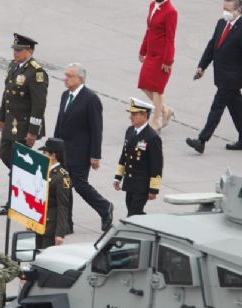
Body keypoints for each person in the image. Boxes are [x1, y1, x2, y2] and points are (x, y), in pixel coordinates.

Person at [186, 0, 242, 154]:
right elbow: (212, 46)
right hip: (221, 74)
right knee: (237, 107)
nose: (225, 12)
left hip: (233, 77)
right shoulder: (221, 23)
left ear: (238, 10)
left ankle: (202, 140)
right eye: (224, 8)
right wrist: (202, 67)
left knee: (217, 108)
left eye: (228, 9)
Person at [53, 63, 113, 232]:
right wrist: (53, 147)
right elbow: (60, 123)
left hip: (80, 152)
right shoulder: (65, 95)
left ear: (80, 78)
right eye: (65, 75)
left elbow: (96, 129)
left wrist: (95, 155)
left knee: (79, 185)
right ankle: (67, 223)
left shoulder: (91, 99)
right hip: (63, 151)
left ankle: (105, 207)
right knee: (64, 186)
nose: (66, 78)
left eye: (69, 76)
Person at [0, 33, 49, 215]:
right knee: (5, 154)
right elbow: (7, 94)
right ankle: (28, 180)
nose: (16, 53)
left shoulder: (36, 72)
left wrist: (33, 132)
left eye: (20, 50)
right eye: (15, 50)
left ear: (30, 51)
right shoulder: (13, 66)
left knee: (18, 160)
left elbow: (38, 105)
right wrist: (1, 117)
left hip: (25, 125)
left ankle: (15, 201)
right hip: (11, 122)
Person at [113, 98, 163, 216]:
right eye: (131, 114)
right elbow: (124, 156)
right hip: (130, 182)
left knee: (133, 214)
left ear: (144, 115)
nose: (131, 117)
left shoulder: (152, 137)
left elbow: (157, 165)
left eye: (134, 114)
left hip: (142, 185)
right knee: (133, 211)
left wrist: (153, 189)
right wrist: (118, 177)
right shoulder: (130, 131)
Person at [138, 0, 178, 131]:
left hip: (162, 57)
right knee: (144, 84)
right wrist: (143, 49)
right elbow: (149, 30)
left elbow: (170, 38)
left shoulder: (171, 12)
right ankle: (165, 110)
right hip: (151, 53)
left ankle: (156, 120)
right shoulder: (152, 5)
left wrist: (167, 60)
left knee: (157, 89)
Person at [36, 138, 71, 249]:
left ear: (53, 155)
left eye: (45, 152)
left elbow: (63, 206)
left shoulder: (62, 176)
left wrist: (60, 233)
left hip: (50, 225)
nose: (43, 155)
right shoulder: (43, 169)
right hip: (39, 221)